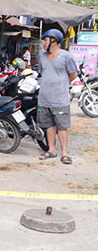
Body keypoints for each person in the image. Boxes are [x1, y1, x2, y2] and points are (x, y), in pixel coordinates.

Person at [37, 29, 77, 164]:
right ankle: (51, 150)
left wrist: (61, 85)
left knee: (62, 126)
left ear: (53, 41)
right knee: (49, 125)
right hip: (44, 98)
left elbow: (73, 75)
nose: (43, 42)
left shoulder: (66, 56)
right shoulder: (42, 57)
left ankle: (64, 153)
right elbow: (42, 74)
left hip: (60, 99)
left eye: (45, 40)